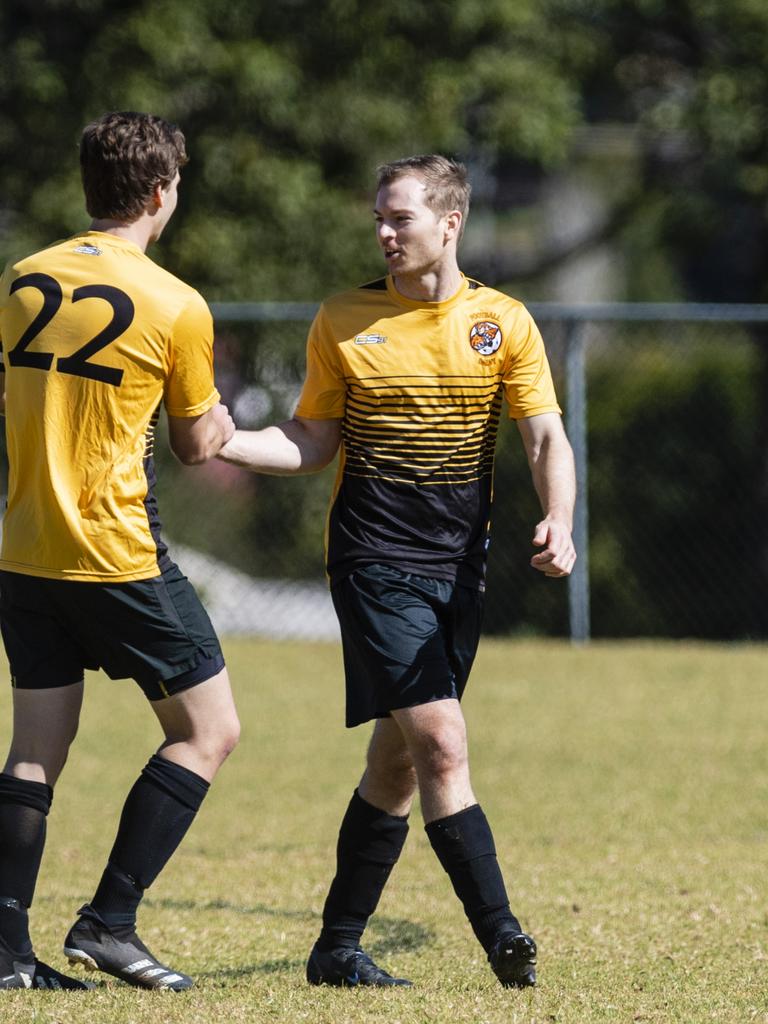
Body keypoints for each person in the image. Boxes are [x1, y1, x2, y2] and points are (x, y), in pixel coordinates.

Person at [218, 155, 576, 989]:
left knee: (398, 763)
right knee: (443, 744)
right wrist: (230, 440)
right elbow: (313, 440)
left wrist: (559, 517)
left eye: (400, 219)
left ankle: (335, 949)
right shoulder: (343, 319)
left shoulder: (503, 322)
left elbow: (546, 436)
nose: (384, 232)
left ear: (449, 224)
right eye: (378, 218)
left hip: (460, 568)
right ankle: (505, 940)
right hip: (373, 560)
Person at [0, 111, 240, 991]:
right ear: (159, 192)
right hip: (117, 554)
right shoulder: (176, 303)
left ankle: (5, 956)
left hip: (25, 549)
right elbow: (193, 445)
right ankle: (108, 923)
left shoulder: (22, 278)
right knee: (209, 731)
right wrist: (216, 422)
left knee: (33, 754)